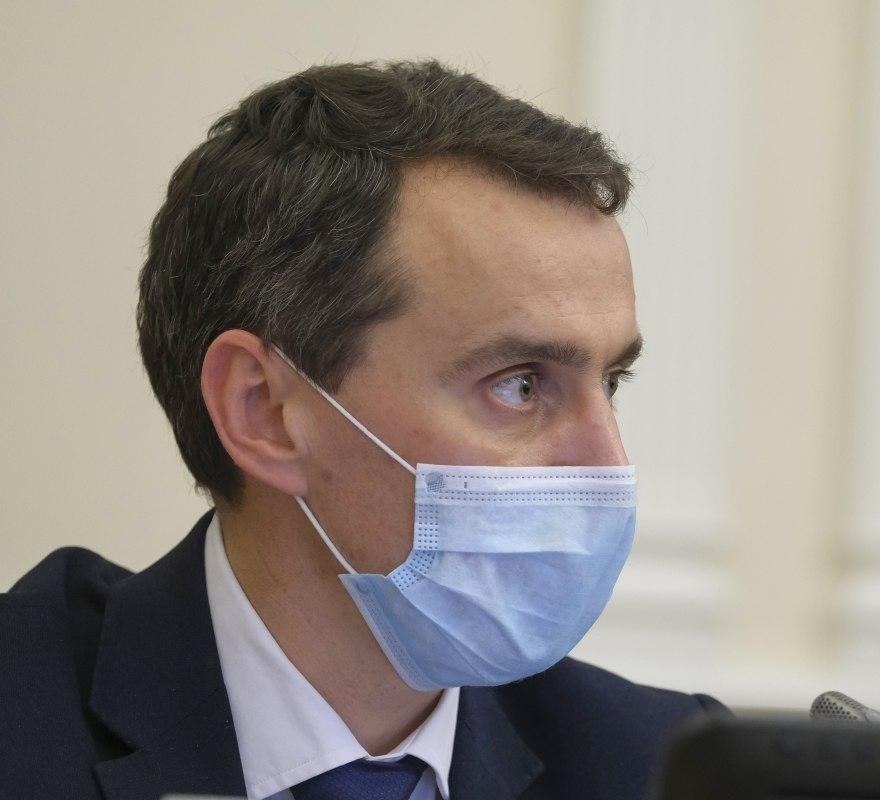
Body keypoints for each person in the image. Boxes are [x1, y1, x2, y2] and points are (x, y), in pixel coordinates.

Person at [0, 59, 726, 800]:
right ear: (264, 410)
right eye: (520, 384)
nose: (608, 462)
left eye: (611, 382)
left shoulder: (663, 767)